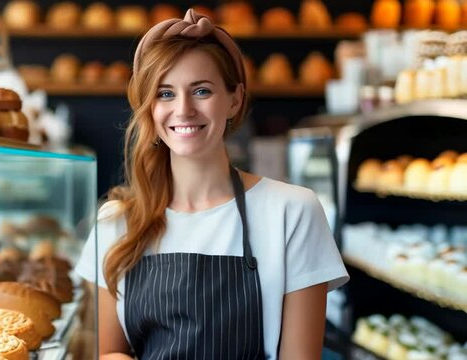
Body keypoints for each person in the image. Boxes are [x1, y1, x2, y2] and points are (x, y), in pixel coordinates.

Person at [75, 9, 349, 360]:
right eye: (165, 94)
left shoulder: (292, 211)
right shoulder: (116, 222)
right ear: (149, 108)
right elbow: (110, 352)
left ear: (234, 100)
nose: (184, 109)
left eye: (201, 90)